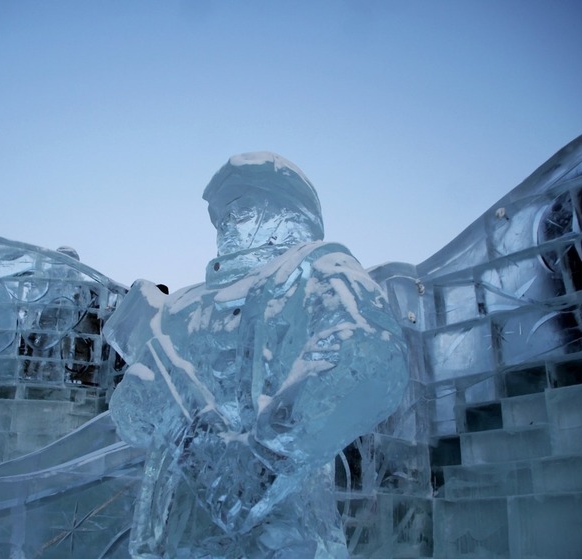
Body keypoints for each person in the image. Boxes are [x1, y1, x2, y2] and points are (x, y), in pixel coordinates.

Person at [105, 152, 408, 558]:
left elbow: (368, 352)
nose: (228, 225)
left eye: (243, 210)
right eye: (222, 217)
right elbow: (132, 420)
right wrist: (146, 382)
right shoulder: (179, 308)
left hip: (283, 539)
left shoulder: (314, 269)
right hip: (177, 540)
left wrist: (267, 456)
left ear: (288, 215)